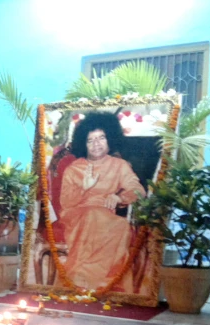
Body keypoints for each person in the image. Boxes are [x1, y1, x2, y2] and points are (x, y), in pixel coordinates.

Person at [57, 112, 146, 292]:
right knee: (93, 215)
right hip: (77, 215)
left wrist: (119, 197)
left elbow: (139, 191)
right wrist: (85, 187)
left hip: (106, 217)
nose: (96, 144)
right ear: (84, 143)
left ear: (109, 139)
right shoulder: (74, 169)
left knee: (121, 226)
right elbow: (66, 203)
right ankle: (83, 281)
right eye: (90, 140)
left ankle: (107, 283)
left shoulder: (119, 165)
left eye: (101, 138)